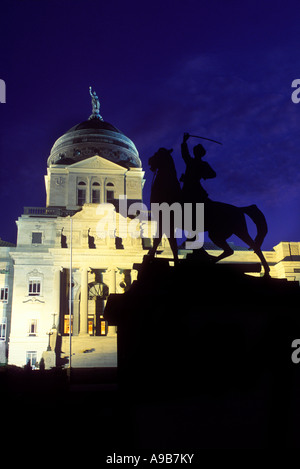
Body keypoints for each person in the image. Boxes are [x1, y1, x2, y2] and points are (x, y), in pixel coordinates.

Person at [180, 132, 216, 203]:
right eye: (196, 151)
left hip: (195, 188)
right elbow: (185, 153)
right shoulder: (191, 161)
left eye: (197, 151)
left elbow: (213, 174)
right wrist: (184, 142)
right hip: (188, 187)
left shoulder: (199, 163)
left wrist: (203, 174)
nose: (196, 152)